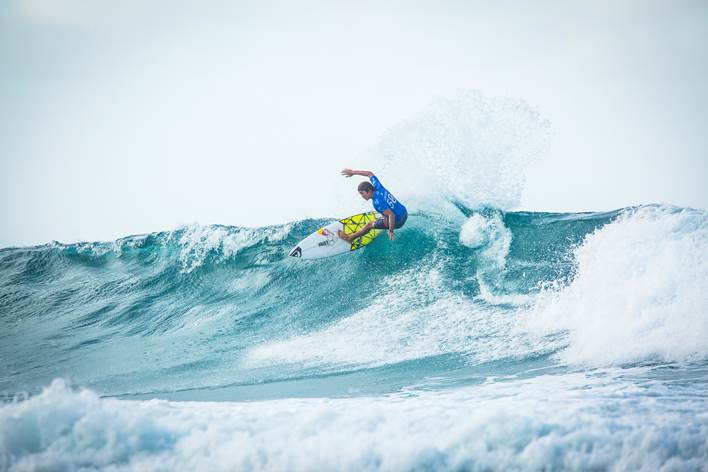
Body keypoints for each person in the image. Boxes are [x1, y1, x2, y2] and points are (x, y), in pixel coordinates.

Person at [338, 169, 408, 242]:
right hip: (404, 213)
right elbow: (369, 173)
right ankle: (383, 217)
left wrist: (391, 231)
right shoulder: (378, 187)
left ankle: (350, 238)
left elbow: (391, 215)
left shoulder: (377, 202)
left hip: (399, 221)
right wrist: (353, 172)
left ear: (369, 191)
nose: (361, 196)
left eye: (362, 193)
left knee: (369, 224)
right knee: (384, 213)